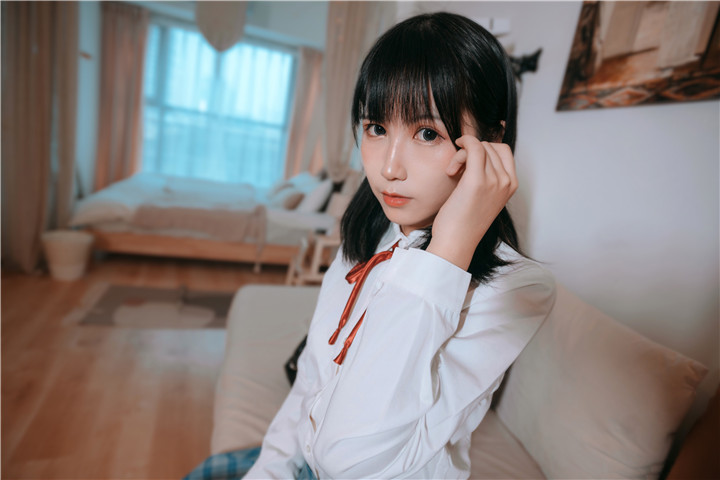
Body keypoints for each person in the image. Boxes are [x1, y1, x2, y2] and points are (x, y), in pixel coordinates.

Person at [243, 11, 554, 479]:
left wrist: (446, 253)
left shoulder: (518, 288)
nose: (389, 168)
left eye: (427, 133)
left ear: (491, 142)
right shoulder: (369, 234)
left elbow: (352, 460)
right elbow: (311, 379)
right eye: (376, 128)